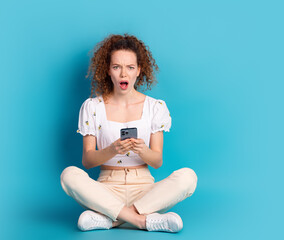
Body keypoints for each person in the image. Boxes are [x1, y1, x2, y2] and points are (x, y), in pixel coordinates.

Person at [60, 33, 197, 233]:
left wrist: (142, 150)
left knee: (188, 177)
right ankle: (143, 221)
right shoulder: (92, 106)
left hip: (145, 191)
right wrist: (112, 149)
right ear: (108, 70)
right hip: (106, 188)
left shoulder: (155, 107)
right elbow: (88, 161)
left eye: (130, 67)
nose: (123, 74)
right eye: (117, 67)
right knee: (68, 175)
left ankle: (111, 219)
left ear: (139, 71)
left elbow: (157, 162)